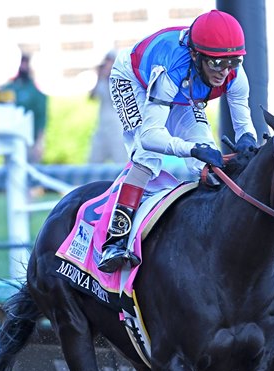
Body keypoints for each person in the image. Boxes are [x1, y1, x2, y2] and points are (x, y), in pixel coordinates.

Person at [97, 10, 258, 273]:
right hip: (134, 79)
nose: (225, 71)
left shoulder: (234, 74)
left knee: (206, 162)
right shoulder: (172, 68)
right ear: (196, 55)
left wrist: (247, 141)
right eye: (217, 64)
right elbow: (150, 137)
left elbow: (243, 121)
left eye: (233, 61)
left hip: (184, 90)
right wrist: (190, 149)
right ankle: (115, 240)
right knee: (147, 159)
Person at [1, 53, 48, 163]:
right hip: (11, 140)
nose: (23, 67)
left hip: (30, 141)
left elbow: (42, 117)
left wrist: (40, 143)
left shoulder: (35, 91)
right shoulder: (9, 88)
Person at [88, 50, 128, 164]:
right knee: (94, 160)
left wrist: (109, 77)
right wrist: (99, 77)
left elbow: (116, 100)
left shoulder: (119, 79)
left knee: (119, 160)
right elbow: (92, 97)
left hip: (117, 127)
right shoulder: (101, 80)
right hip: (101, 127)